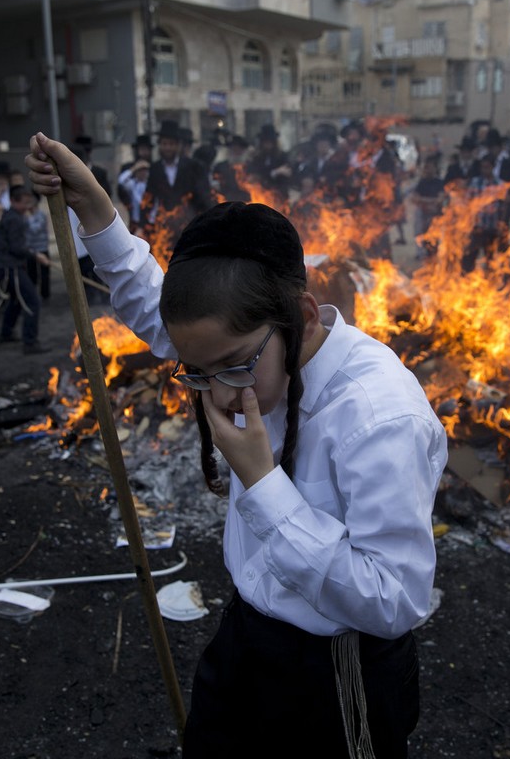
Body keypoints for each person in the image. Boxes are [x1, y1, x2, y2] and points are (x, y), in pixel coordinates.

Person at [27, 133, 447, 758]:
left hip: (339, 672)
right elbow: (158, 308)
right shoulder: (243, 352)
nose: (218, 392)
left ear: (299, 315)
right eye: (197, 372)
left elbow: (395, 599)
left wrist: (265, 485)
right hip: (249, 636)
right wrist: (94, 208)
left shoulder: (377, 415)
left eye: (231, 366)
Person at [0, 185, 49, 354]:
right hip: (11, 266)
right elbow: (16, 247)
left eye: (29, 202)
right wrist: (35, 255)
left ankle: (6, 333)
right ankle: (30, 342)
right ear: (13, 201)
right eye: (24, 203)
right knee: (32, 301)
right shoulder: (14, 219)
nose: (27, 207)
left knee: (16, 300)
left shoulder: (13, 215)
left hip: (12, 265)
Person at [143, 120, 214, 234]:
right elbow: (149, 198)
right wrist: (144, 224)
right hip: (164, 227)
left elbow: (204, 196)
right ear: (159, 145)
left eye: (171, 144)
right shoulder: (155, 169)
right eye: (164, 144)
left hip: (190, 224)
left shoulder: (194, 166)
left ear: (178, 145)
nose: (168, 148)